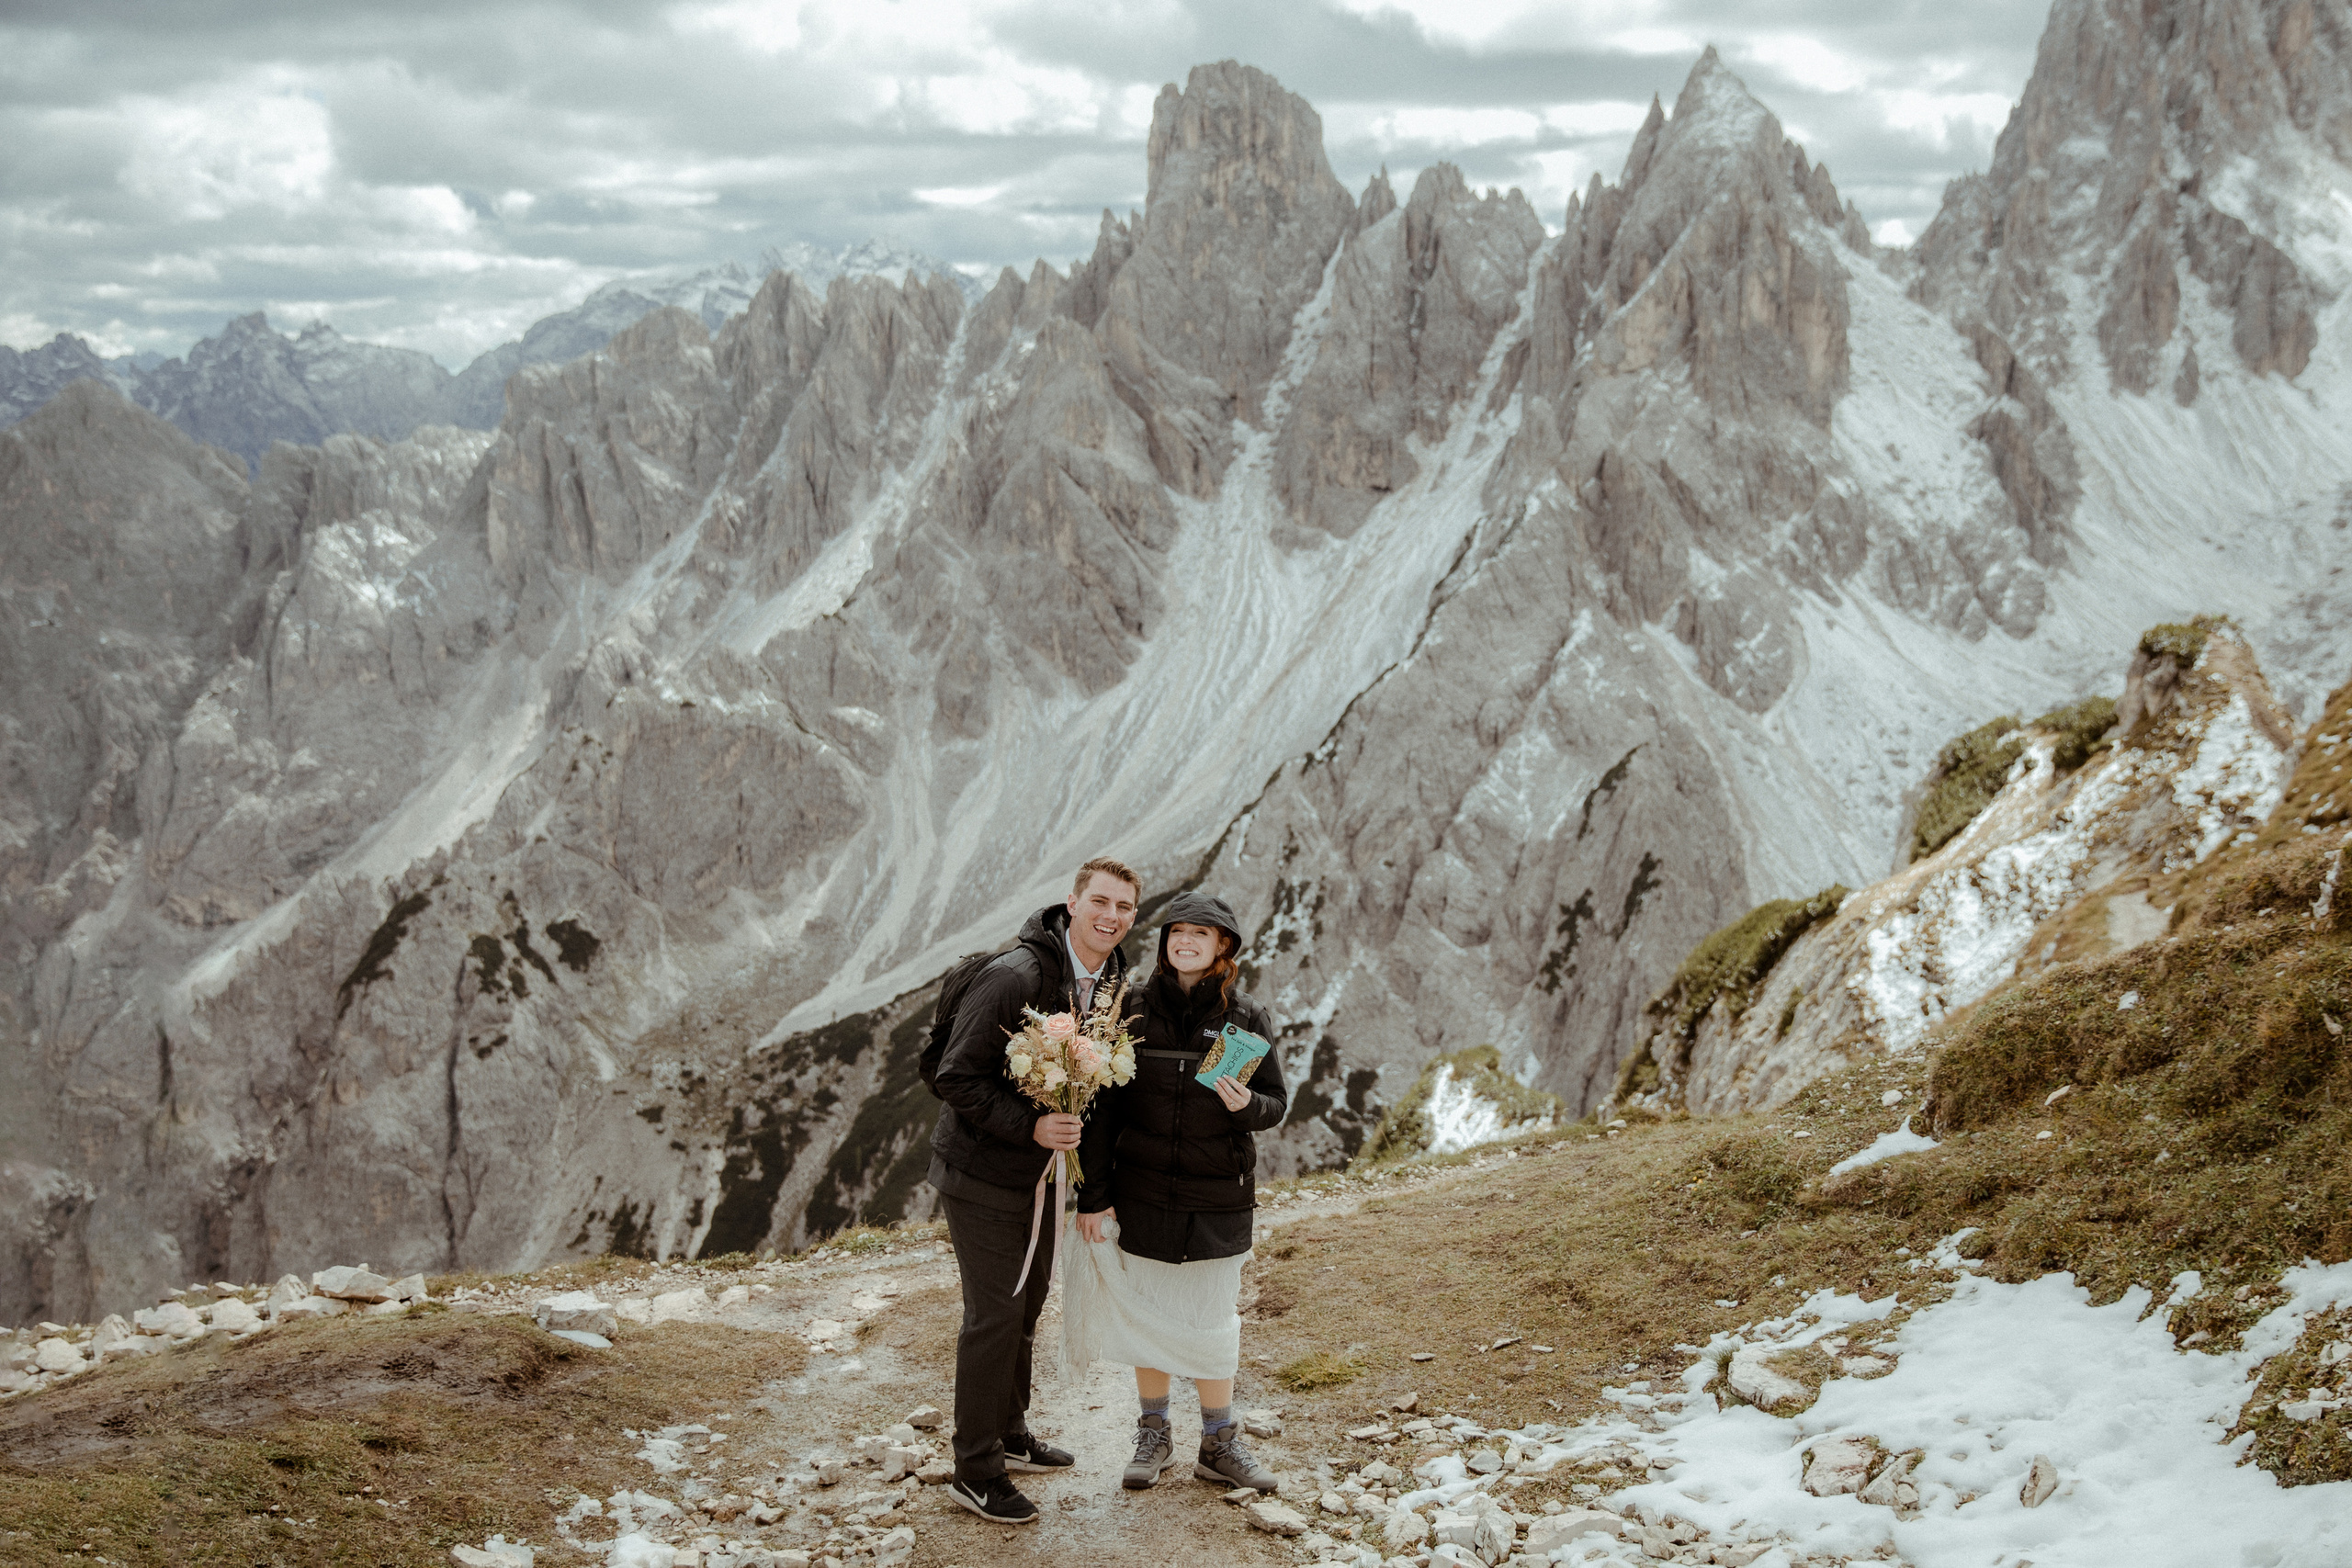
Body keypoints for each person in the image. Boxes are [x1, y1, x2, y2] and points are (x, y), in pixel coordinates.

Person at [926, 855, 1140, 1524]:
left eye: (1125, 907)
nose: (1111, 916)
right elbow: (955, 1076)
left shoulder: (1109, 981)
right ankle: (975, 1471)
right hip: (982, 1174)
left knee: (1026, 1305)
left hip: (1041, 1178)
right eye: (1099, 901)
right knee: (994, 1315)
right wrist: (1033, 1126)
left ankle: (1010, 1433)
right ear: (1071, 903)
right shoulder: (1014, 975)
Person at [1071, 890, 1287, 1494]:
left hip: (1219, 1198)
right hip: (1142, 1193)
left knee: (1212, 1320)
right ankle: (1155, 1433)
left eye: (1201, 933)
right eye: (1176, 932)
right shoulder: (1131, 1008)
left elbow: (1276, 1103)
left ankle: (1218, 1443)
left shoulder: (1247, 1016)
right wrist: (1094, 1196)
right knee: (1151, 1316)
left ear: (1223, 946)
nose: (1186, 941)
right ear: (1165, 943)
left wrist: (1249, 1106)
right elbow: (1101, 1110)